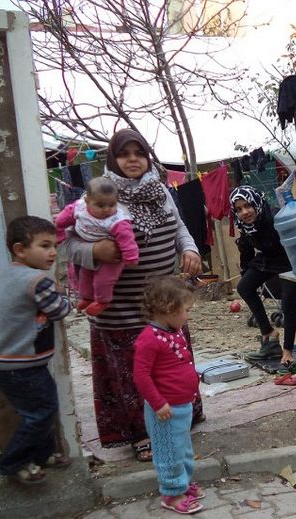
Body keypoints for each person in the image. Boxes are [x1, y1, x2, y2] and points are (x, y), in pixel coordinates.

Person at [60, 128, 202, 462]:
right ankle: (141, 434)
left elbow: (179, 226)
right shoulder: (99, 195)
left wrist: (191, 248)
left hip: (164, 305)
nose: (133, 160)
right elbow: (66, 243)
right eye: (125, 154)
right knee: (133, 372)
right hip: (118, 307)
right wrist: (95, 250)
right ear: (114, 158)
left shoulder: (160, 190)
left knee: (168, 365)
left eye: (139, 153)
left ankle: (180, 417)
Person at [0, 216, 72, 484]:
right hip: (23, 363)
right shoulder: (37, 280)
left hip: (9, 363)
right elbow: (60, 310)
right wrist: (64, 295)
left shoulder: (6, 274)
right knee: (41, 412)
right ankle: (12, 462)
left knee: (41, 409)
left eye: (54, 245)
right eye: (44, 246)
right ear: (20, 249)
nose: (52, 252)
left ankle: (44, 455)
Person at [133, 276, 205, 514]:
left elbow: (181, 364)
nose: (188, 315)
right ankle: (172, 494)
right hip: (164, 410)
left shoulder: (174, 331)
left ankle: (183, 482)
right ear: (168, 308)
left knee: (183, 448)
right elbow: (141, 376)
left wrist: (192, 391)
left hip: (181, 405)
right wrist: (158, 403)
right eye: (185, 310)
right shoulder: (149, 339)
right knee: (168, 452)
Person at [230, 185, 296, 365]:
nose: (244, 212)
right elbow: (246, 250)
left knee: (288, 304)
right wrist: (245, 272)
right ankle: (268, 334)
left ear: (256, 203)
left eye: (248, 206)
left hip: (289, 260)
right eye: (239, 209)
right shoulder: (245, 226)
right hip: (268, 259)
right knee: (244, 287)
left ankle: (287, 351)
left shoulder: (276, 217)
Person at [55, 176, 139, 316]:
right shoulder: (79, 208)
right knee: (85, 275)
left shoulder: (117, 219)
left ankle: (103, 300)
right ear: (87, 200)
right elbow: (63, 218)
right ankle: (87, 297)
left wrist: (131, 257)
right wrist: (59, 230)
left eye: (111, 205)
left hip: (112, 259)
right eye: (100, 205)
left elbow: (127, 239)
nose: (106, 209)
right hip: (89, 250)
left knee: (103, 280)